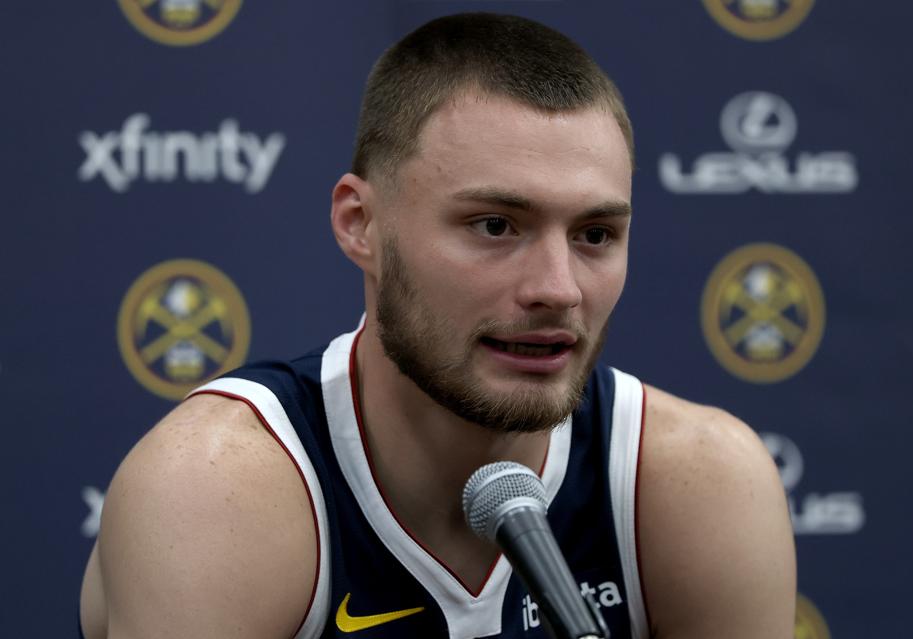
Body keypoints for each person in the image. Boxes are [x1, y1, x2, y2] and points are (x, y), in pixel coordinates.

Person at [79, 12, 795, 639]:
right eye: (495, 225)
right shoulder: (217, 492)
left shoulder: (696, 483)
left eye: (596, 234)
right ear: (361, 224)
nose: (558, 288)